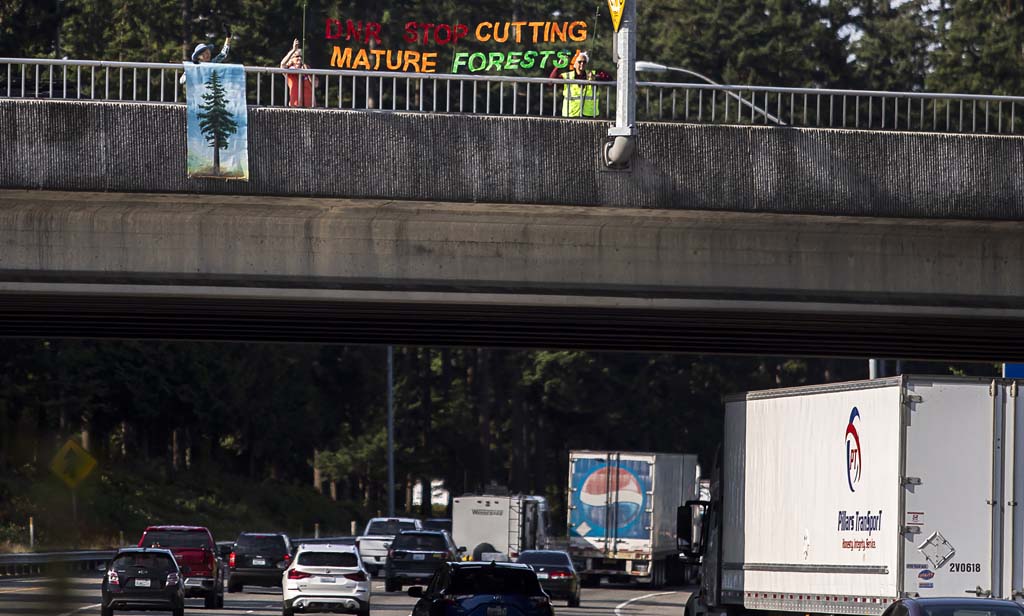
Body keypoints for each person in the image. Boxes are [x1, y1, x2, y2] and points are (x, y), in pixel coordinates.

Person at [549, 50, 601, 118]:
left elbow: (608, 78)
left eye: (584, 62)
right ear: (575, 64)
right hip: (570, 115)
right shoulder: (567, 76)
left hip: (590, 116)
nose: (582, 64)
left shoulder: (592, 74)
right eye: (579, 62)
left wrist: (596, 77)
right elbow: (551, 82)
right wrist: (558, 66)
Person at [280, 39, 316, 108]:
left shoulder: (307, 68)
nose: (299, 58)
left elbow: (315, 84)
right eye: (297, 56)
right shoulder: (289, 71)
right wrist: (293, 50)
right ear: (291, 59)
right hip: (295, 106)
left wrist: (307, 73)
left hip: (311, 106)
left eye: (301, 57)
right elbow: (282, 64)